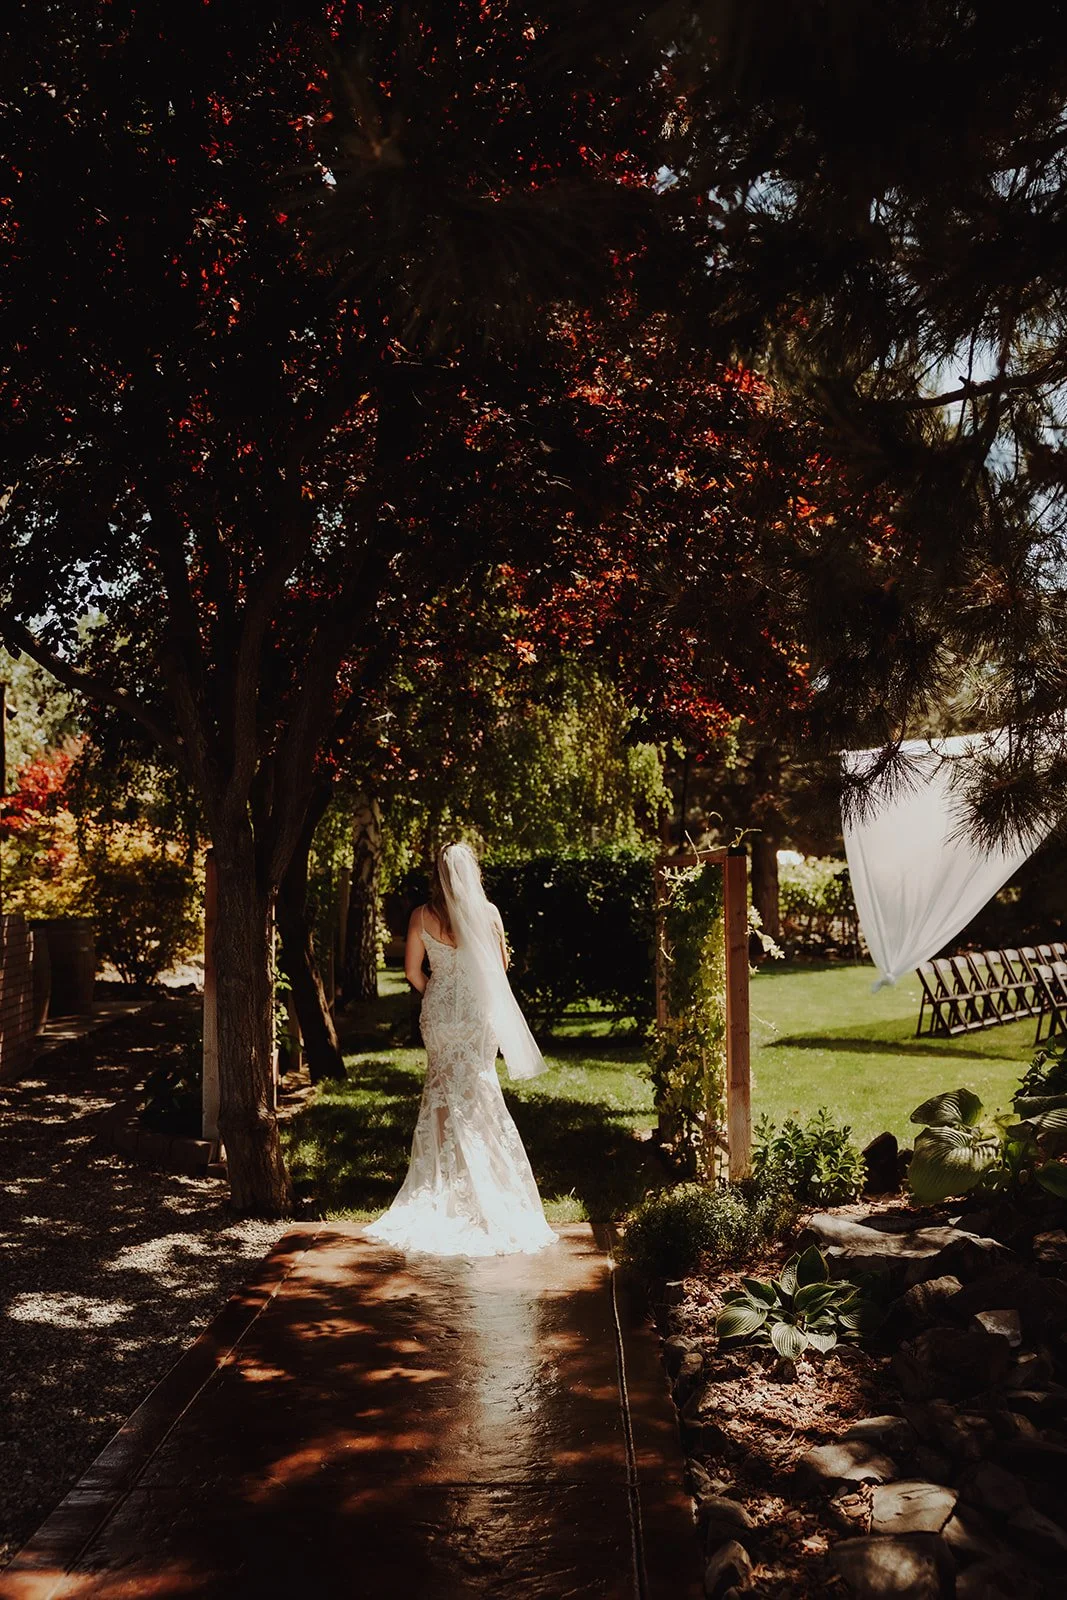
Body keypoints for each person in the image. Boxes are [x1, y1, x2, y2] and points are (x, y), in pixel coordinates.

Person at [364, 842, 558, 1256]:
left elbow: (413, 971)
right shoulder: (488, 914)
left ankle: (443, 1179)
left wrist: (435, 991)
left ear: (438, 874)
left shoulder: (422, 915)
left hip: (439, 1015)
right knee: (480, 1091)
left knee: (439, 1094)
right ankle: (485, 1181)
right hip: (476, 1014)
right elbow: (501, 967)